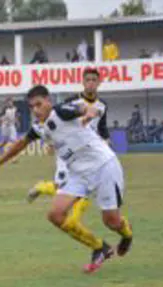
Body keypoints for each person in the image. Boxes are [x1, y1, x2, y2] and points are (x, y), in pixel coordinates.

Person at [0, 80, 133, 274]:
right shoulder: (38, 128)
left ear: (48, 101)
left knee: (111, 221)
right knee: (55, 214)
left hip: (103, 165)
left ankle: (126, 234)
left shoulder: (61, 111)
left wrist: (89, 114)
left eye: (39, 104)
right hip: (78, 173)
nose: (36, 110)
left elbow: (86, 108)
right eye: (32, 107)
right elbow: (20, 144)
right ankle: (99, 247)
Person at [27, 69, 111, 229]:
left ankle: (74, 219)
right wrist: (50, 143)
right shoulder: (72, 101)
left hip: (90, 150)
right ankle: (43, 187)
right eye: (88, 80)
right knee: (65, 186)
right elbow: (57, 122)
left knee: (85, 186)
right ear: (83, 82)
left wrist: (106, 141)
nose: (91, 83)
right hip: (69, 150)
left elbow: (102, 126)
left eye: (94, 80)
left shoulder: (103, 105)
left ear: (99, 83)